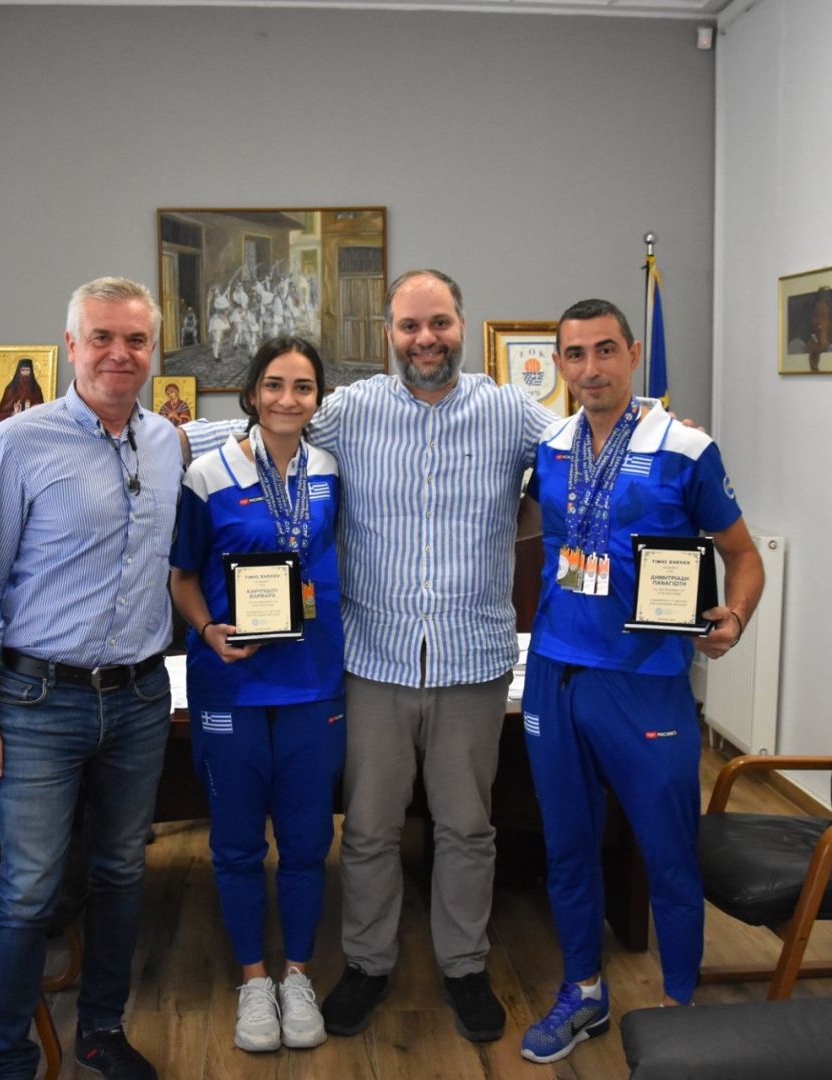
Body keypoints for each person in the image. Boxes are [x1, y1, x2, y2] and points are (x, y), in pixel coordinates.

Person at [180, 268, 559, 1044]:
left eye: (439, 323)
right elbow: (268, 421)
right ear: (388, 333)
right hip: (374, 660)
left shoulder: (509, 411)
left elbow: (581, 441)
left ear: (461, 324)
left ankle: (464, 966)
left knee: (466, 827)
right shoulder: (350, 411)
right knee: (369, 830)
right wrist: (157, 436)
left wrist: (651, 422)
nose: (425, 339)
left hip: (471, 658)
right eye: (409, 326)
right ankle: (366, 963)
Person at [516, 298, 764, 1064]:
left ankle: (679, 1004)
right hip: (556, 672)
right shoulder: (548, 446)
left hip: (645, 678)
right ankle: (582, 990)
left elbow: (742, 555)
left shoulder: (684, 446)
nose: (590, 368)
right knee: (566, 847)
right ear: (559, 364)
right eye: (574, 354)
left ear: (630, 353)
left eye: (604, 350)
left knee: (666, 852)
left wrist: (734, 616)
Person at [0, 276, 179, 1080]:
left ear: (152, 349)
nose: (120, 353)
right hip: (38, 700)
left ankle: (100, 1032)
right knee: (28, 890)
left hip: (140, 697)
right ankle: (8, 1058)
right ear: (71, 345)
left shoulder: (167, 442)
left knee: (121, 872)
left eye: (136, 339)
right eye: (102, 338)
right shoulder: (17, 444)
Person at [169, 335, 345, 1054]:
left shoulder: (329, 469)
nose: (286, 399)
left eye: (302, 387)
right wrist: (207, 629)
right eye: (273, 385)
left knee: (307, 840)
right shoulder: (207, 474)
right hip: (232, 682)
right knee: (237, 842)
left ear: (317, 399)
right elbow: (182, 576)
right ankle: (252, 979)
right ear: (250, 394)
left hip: (311, 682)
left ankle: (297, 974)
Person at [0, 357, 45, 424]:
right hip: (13, 424)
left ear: (31, 372)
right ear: (18, 372)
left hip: (31, 423)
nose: (25, 373)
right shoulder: (11, 388)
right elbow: (0, 416)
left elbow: (41, 411)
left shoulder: (36, 389)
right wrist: (14, 413)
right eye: (23, 370)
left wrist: (31, 410)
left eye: (27, 370)